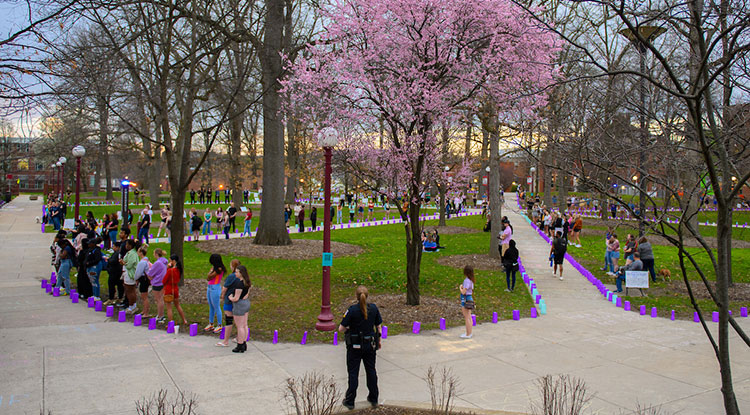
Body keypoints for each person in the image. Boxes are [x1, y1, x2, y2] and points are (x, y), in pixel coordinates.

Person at [339, 285, 382, 409]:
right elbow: (378, 326)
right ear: (367, 296)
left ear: (356, 296)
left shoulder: (352, 310)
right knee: (371, 371)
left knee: (353, 373)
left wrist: (349, 327)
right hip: (370, 345)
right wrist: (378, 340)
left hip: (355, 346)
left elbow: (341, 328)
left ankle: (350, 400)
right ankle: (374, 398)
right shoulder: (373, 308)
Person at [217, 259, 241, 347]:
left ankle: (225, 341)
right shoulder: (243, 276)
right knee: (239, 321)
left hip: (229, 301)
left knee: (229, 320)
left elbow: (225, 288)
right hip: (239, 301)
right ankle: (240, 337)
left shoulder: (231, 276)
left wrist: (222, 295)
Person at [228, 265, 252, 353]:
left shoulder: (239, 284)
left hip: (239, 305)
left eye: (237, 272)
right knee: (245, 324)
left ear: (241, 273)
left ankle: (240, 344)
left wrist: (230, 297)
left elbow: (236, 298)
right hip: (246, 303)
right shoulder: (248, 282)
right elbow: (246, 295)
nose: (235, 273)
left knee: (240, 326)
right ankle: (244, 342)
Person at [164, 254, 188, 324]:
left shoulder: (170, 270)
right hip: (175, 289)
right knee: (177, 305)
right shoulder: (178, 270)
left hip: (169, 289)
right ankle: (184, 320)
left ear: (173, 261)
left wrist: (167, 268)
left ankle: (171, 322)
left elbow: (164, 280)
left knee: (169, 307)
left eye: (170, 261)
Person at [205, 253, 225, 333]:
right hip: (210, 287)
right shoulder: (214, 268)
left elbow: (210, 276)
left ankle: (220, 325)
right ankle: (211, 323)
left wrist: (210, 273)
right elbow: (208, 277)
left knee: (216, 306)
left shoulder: (219, 269)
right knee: (211, 306)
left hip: (215, 288)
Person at [147, 248, 168, 323]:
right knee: (161, 299)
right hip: (163, 282)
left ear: (156, 254)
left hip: (157, 283)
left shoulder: (157, 263)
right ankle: (161, 315)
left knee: (158, 300)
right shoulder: (164, 262)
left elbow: (150, 274)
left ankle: (160, 315)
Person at [121, 239, 139, 313]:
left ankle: (132, 306)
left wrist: (123, 263)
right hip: (127, 274)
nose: (126, 246)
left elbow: (129, 265)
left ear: (130, 245)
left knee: (130, 290)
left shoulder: (132, 254)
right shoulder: (129, 253)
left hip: (130, 274)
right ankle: (132, 305)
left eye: (127, 244)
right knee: (128, 290)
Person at [104, 240, 123, 306]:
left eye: (114, 246)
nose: (112, 247)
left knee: (113, 285)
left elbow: (114, 261)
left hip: (115, 272)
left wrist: (108, 260)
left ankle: (113, 298)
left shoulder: (118, 254)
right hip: (113, 271)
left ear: (117, 247)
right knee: (116, 285)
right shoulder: (115, 253)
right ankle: (116, 297)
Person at [458, 266, 475, 339]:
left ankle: (468, 334)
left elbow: (463, 292)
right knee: (469, 316)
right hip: (469, 298)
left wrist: (460, 287)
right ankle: (469, 332)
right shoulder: (471, 280)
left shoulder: (466, 281)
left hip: (465, 299)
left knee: (467, 317)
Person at [135, 246, 151, 317]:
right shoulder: (146, 261)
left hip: (143, 279)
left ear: (141, 253)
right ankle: (144, 310)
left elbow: (138, 272)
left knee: (144, 296)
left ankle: (146, 312)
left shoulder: (142, 262)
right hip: (145, 279)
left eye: (138, 251)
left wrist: (135, 278)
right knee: (144, 296)